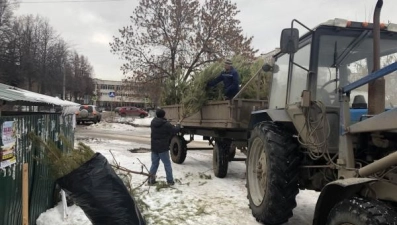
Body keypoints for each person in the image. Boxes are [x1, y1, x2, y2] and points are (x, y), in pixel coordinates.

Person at [148, 108, 180, 186]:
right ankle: (170, 181)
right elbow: (174, 130)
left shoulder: (153, 122)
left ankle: (150, 180)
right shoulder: (166, 124)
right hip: (163, 148)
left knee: (154, 164)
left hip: (154, 148)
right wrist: (178, 125)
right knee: (167, 164)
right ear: (164, 115)